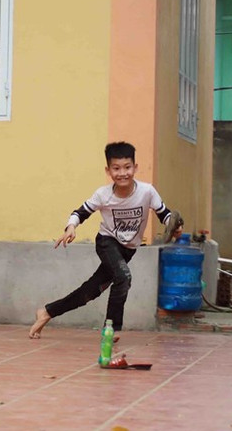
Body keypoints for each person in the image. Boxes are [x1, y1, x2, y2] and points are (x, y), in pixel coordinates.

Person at [29, 142, 181, 339]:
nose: (122, 173)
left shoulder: (147, 191)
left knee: (91, 291)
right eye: (116, 168)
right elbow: (80, 212)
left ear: (135, 167)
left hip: (128, 249)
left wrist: (175, 226)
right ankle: (111, 328)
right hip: (107, 242)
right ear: (108, 170)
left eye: (127, 167)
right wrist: (71, 227)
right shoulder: (103, 195)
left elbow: (166, 215)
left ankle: (47, 312)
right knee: (123, 278)